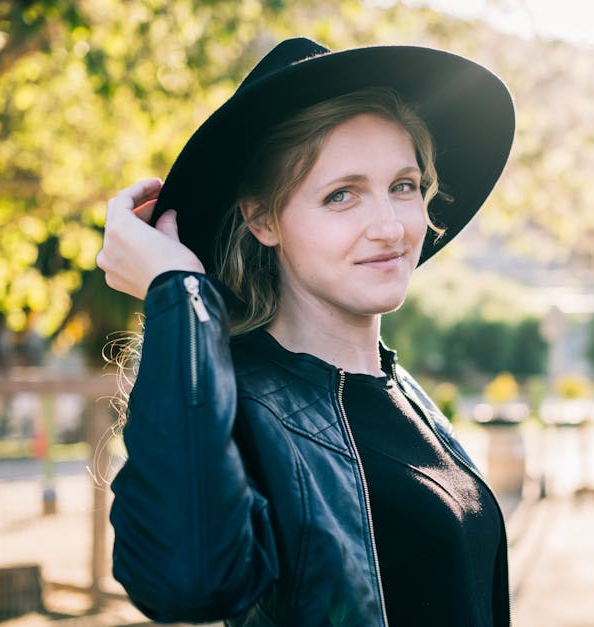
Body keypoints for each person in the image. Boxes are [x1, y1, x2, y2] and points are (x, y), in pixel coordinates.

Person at [97, 37, 514, 626]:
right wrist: (177, 292)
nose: (390, 226)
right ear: (263, 219)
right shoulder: (240, 407)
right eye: (341, 195)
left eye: (403, 186)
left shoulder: (402, 394)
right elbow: (184, 585)